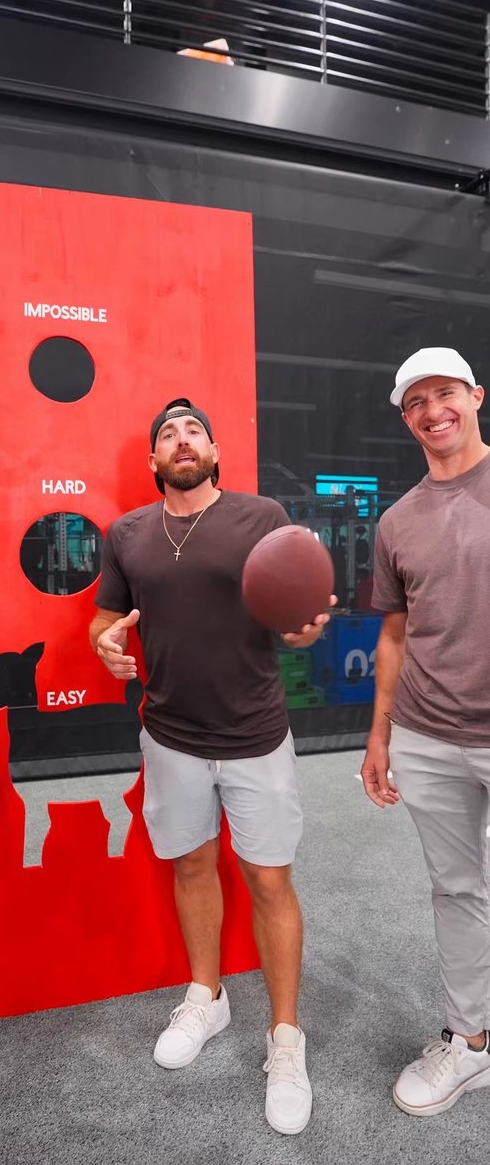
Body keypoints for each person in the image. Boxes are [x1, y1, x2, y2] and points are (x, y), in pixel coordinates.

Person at [90, 397, 333, 1136]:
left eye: (193, 429)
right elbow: (106, 618)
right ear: (154, 460)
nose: (181, 438)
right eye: (168, 433)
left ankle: (285, 1039)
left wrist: (306, 630)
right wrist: (105, 643)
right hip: (169, 736)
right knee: (192, 866)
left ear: (215, 451)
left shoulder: (261, 517)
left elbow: (295, 624)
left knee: (269, 880)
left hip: (254, 735)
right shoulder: (127, 534)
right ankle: (208, 996)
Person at [362, 347, 490, 1117]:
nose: (431, 411)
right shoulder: (397, 520)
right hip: (427, 735)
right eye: (415, 402)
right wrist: (379, 737)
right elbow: (394, 635)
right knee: (456, 890)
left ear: (475, 395)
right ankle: (469, 1042)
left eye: (444, 393)